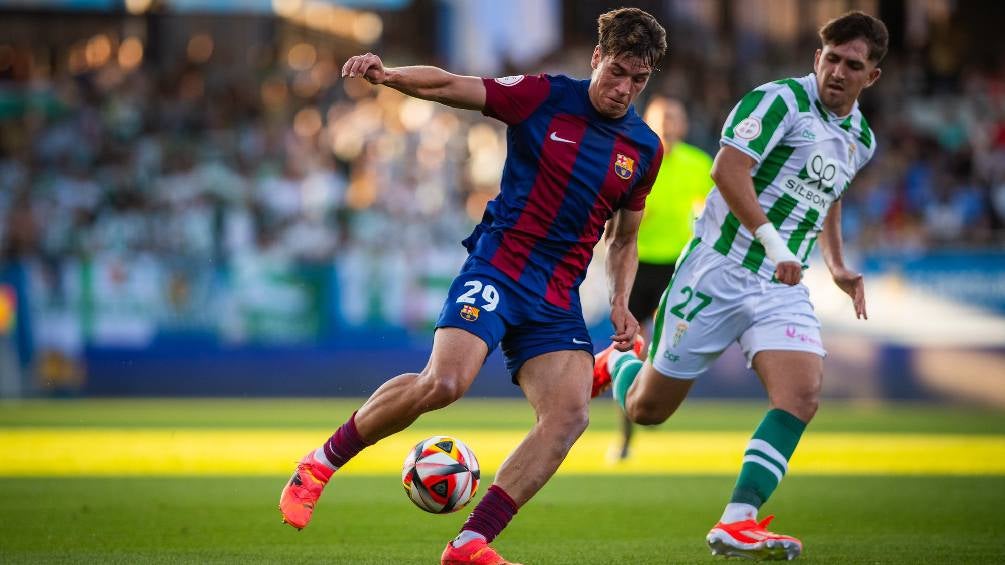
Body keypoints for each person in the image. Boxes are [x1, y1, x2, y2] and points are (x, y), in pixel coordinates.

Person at [279, 8, 667, 565]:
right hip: (499, 269)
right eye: (617, 72)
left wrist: (621, 302)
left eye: (639, 79)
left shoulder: (644, 149)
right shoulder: (543, 96)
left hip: (556, 295)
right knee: (444, 382)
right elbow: (450, 85)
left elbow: (624, 239)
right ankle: (319, 464)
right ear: (596, 58)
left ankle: (469, 543)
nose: (624, 89)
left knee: (568, 418)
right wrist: (389, 76)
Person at [593, 10, 886, 561]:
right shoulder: (778, 102)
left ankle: (738, 520)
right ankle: (621, 363)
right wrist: (776, 246)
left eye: (853, 65)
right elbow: (727, 171)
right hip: (718, 269)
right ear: (816, 58)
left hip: (779, 286)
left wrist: (837, 264)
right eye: (831, 59)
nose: (838, 72)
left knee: (802, 396)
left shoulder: (861, 138)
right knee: (646, 411)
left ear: (871, 76)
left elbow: (830, 195)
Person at [610, 96, 713, 461]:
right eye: (662, 118)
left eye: (674, 118)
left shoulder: (699, 164)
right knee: (628, 346)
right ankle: (625, 436)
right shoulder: (634, 161)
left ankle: (655, 402)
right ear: (649, 124)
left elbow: (712, 212)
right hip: (636, 264)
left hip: (678, 267)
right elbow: (612, 214)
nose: (668, 125)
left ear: (683, 125)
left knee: (672, 343)